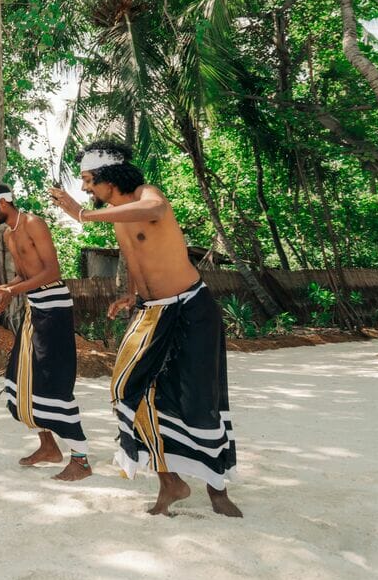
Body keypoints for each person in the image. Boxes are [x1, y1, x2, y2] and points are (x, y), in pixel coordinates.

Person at [49, 139, 241, 517]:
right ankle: (171, 481)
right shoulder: (119, 213)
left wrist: (84, 216)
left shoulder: (145, 194)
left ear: (110, 177)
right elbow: (137, 258)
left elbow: (155, 208)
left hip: (191, 308)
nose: (85, 189)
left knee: (199, 399)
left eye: (88, 180)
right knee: (129, 390)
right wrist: (132, 294)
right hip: (152, 312)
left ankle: (217, 489)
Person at [0, 183, 92, 481]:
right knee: (19, 382)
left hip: (55, 309)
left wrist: (5, 289)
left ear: (3, 203)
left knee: (53, 383)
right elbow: (25, 276)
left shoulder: (34, 224)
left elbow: (51, 273)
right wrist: (6, 292)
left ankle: (81, 459)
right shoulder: (9, 234)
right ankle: (49, 447)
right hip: (34, 310)